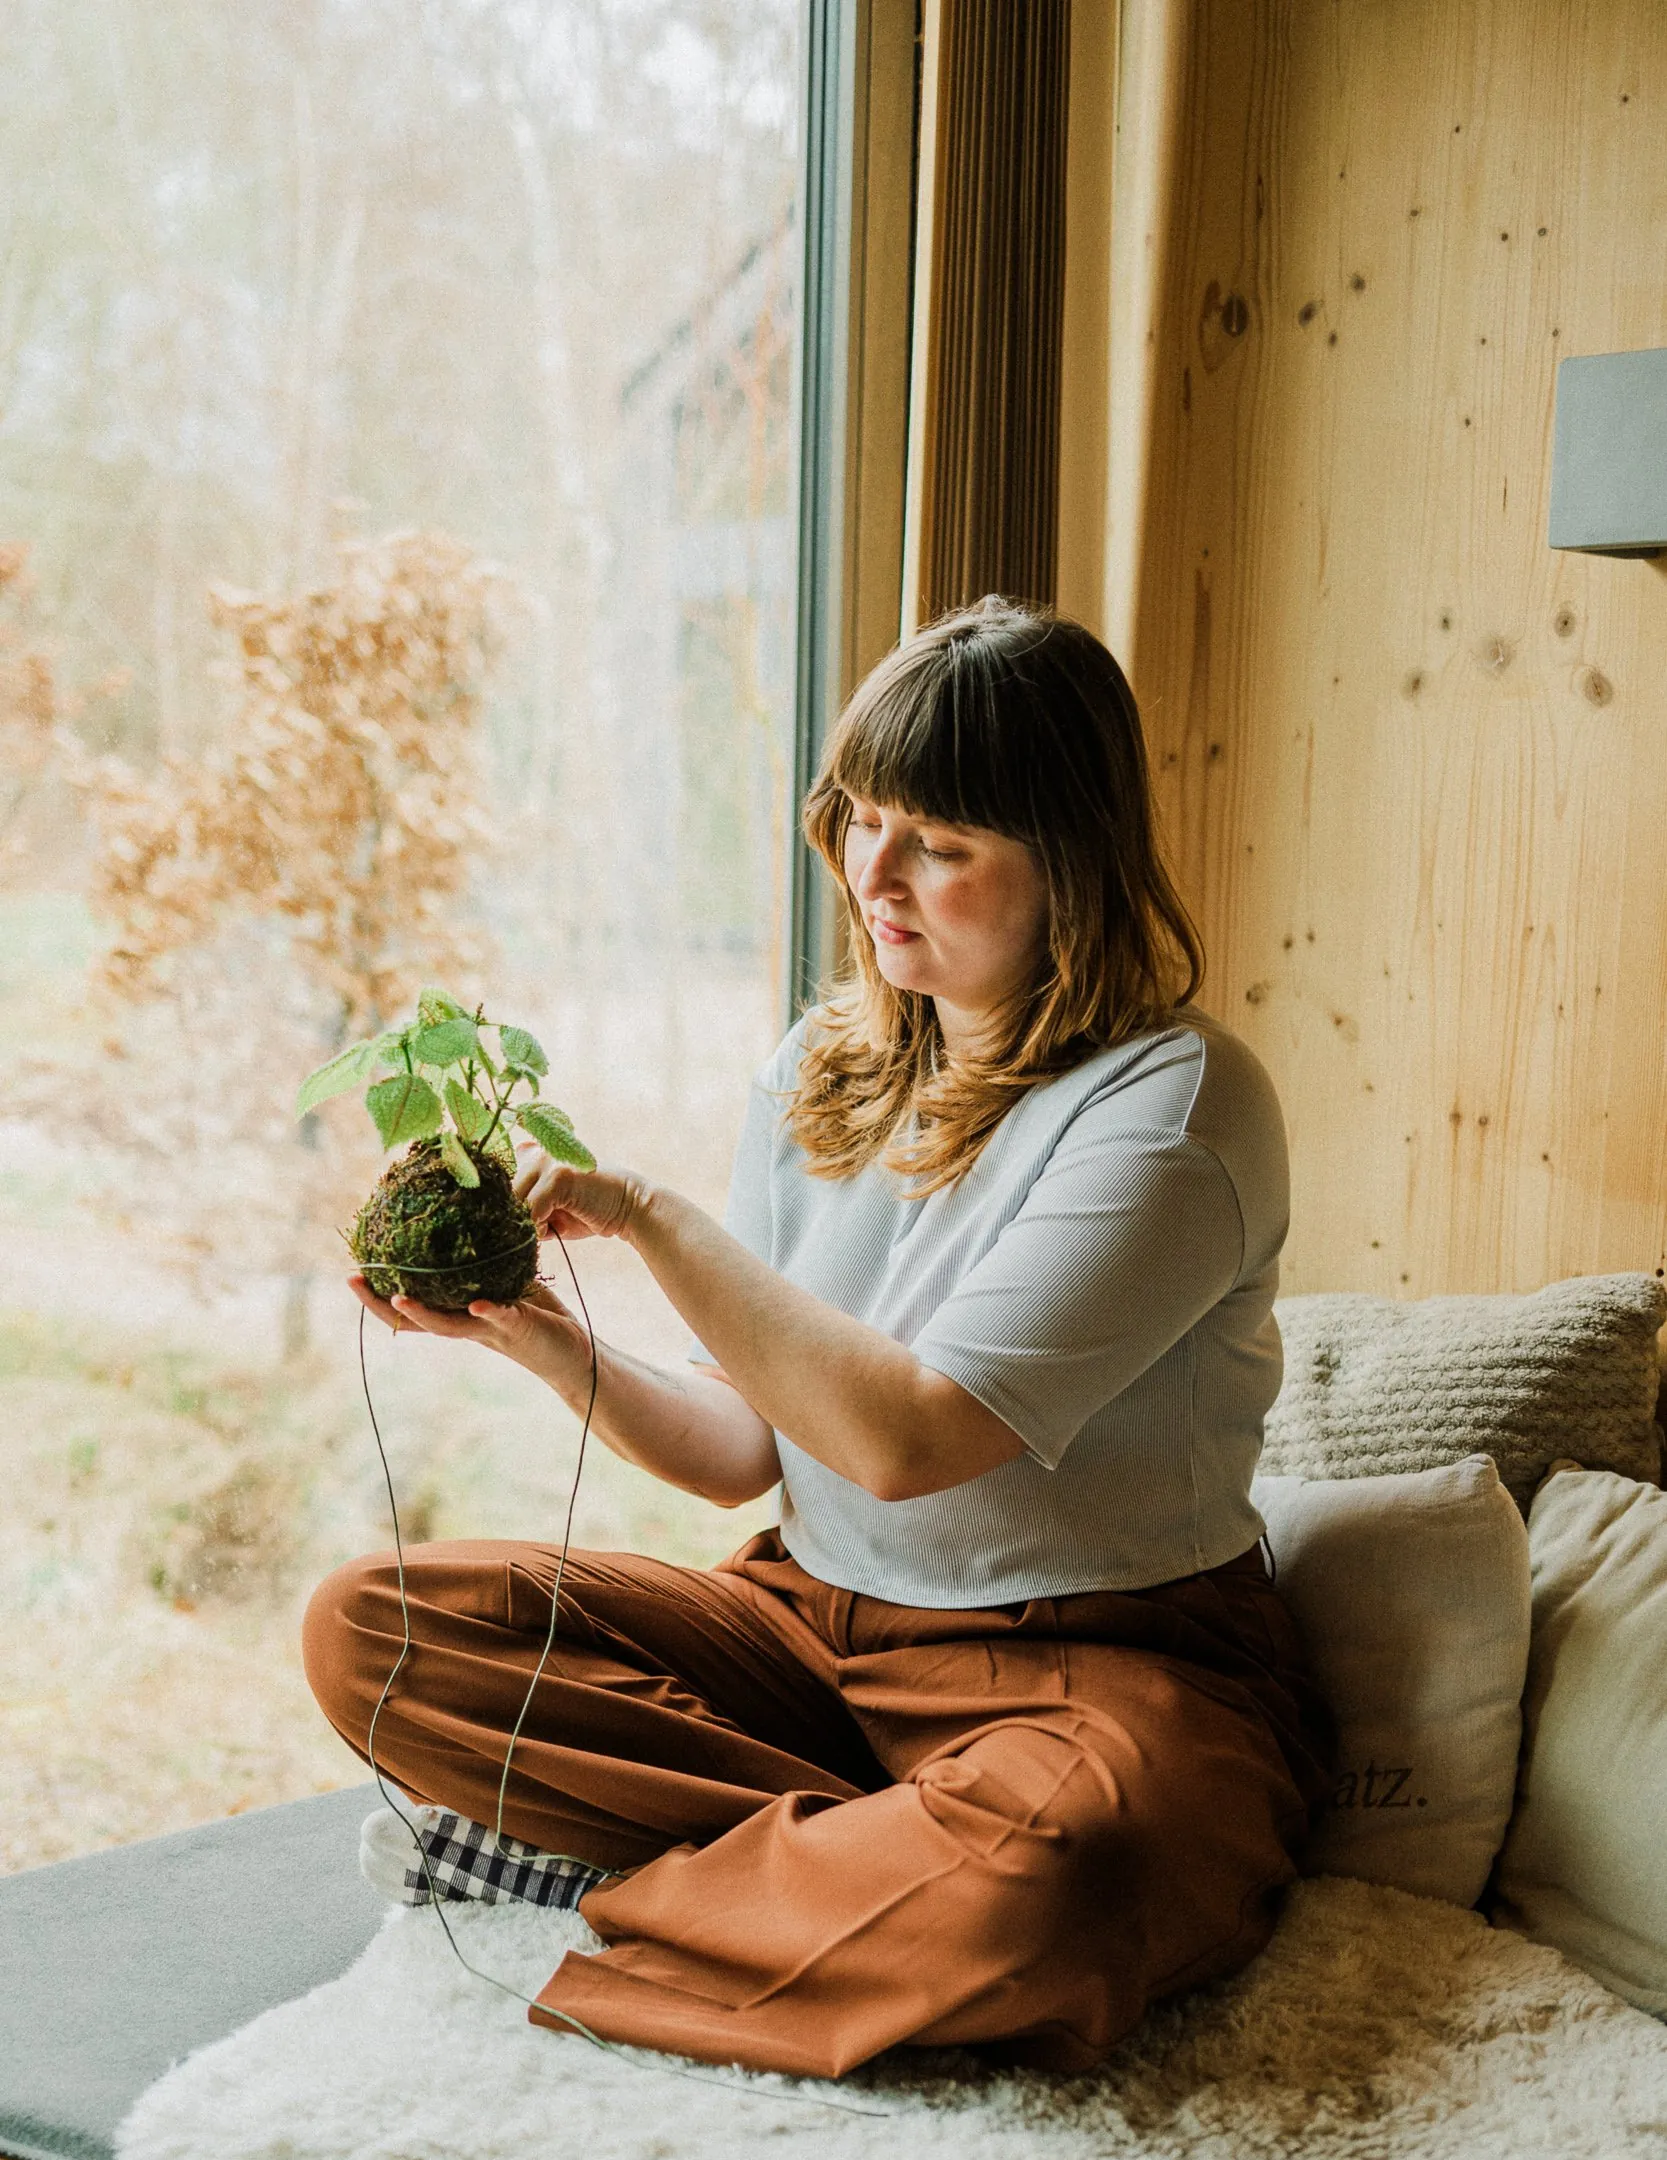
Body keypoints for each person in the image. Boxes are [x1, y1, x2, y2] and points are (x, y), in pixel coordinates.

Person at [303, 597, 1331, 2081]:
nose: (871, 872)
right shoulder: (826, 1067)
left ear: (1070, 859)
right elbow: (743, 1451)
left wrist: (651, 1216)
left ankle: (615, 1893)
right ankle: (837, 1876)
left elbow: (905, 1442)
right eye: (860, 817)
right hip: (809, 1628)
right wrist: (538, 1338)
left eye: (939, 843)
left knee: (1057, 1886)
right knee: (376, 1631)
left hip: (1093, 1667)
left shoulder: (1171, 1109)